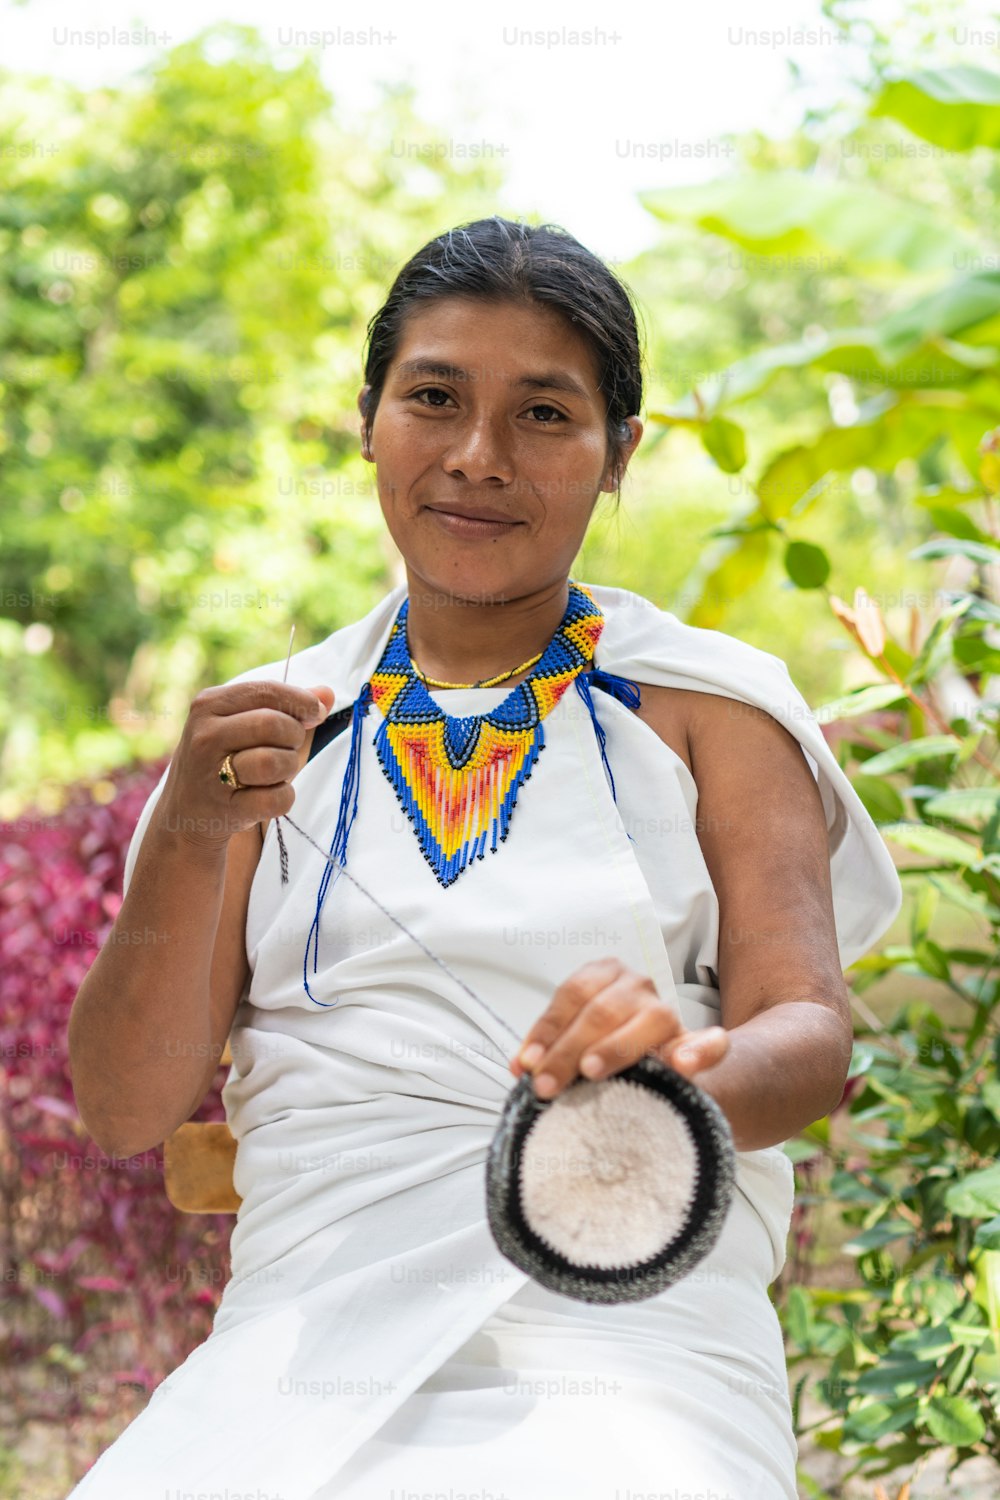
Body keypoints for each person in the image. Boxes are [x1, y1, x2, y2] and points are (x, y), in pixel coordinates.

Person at [66, 216, 902, 1500]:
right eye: (434, 398)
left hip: (632, 1330)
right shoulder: (263, 735)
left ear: (619, 452)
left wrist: (669, 1083)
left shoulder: (708, 706)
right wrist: (187, 836)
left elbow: (810, 1035)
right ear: (367, 421)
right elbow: (126, 1108)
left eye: (544, 415)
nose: (476, 458)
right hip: (299, 1354)